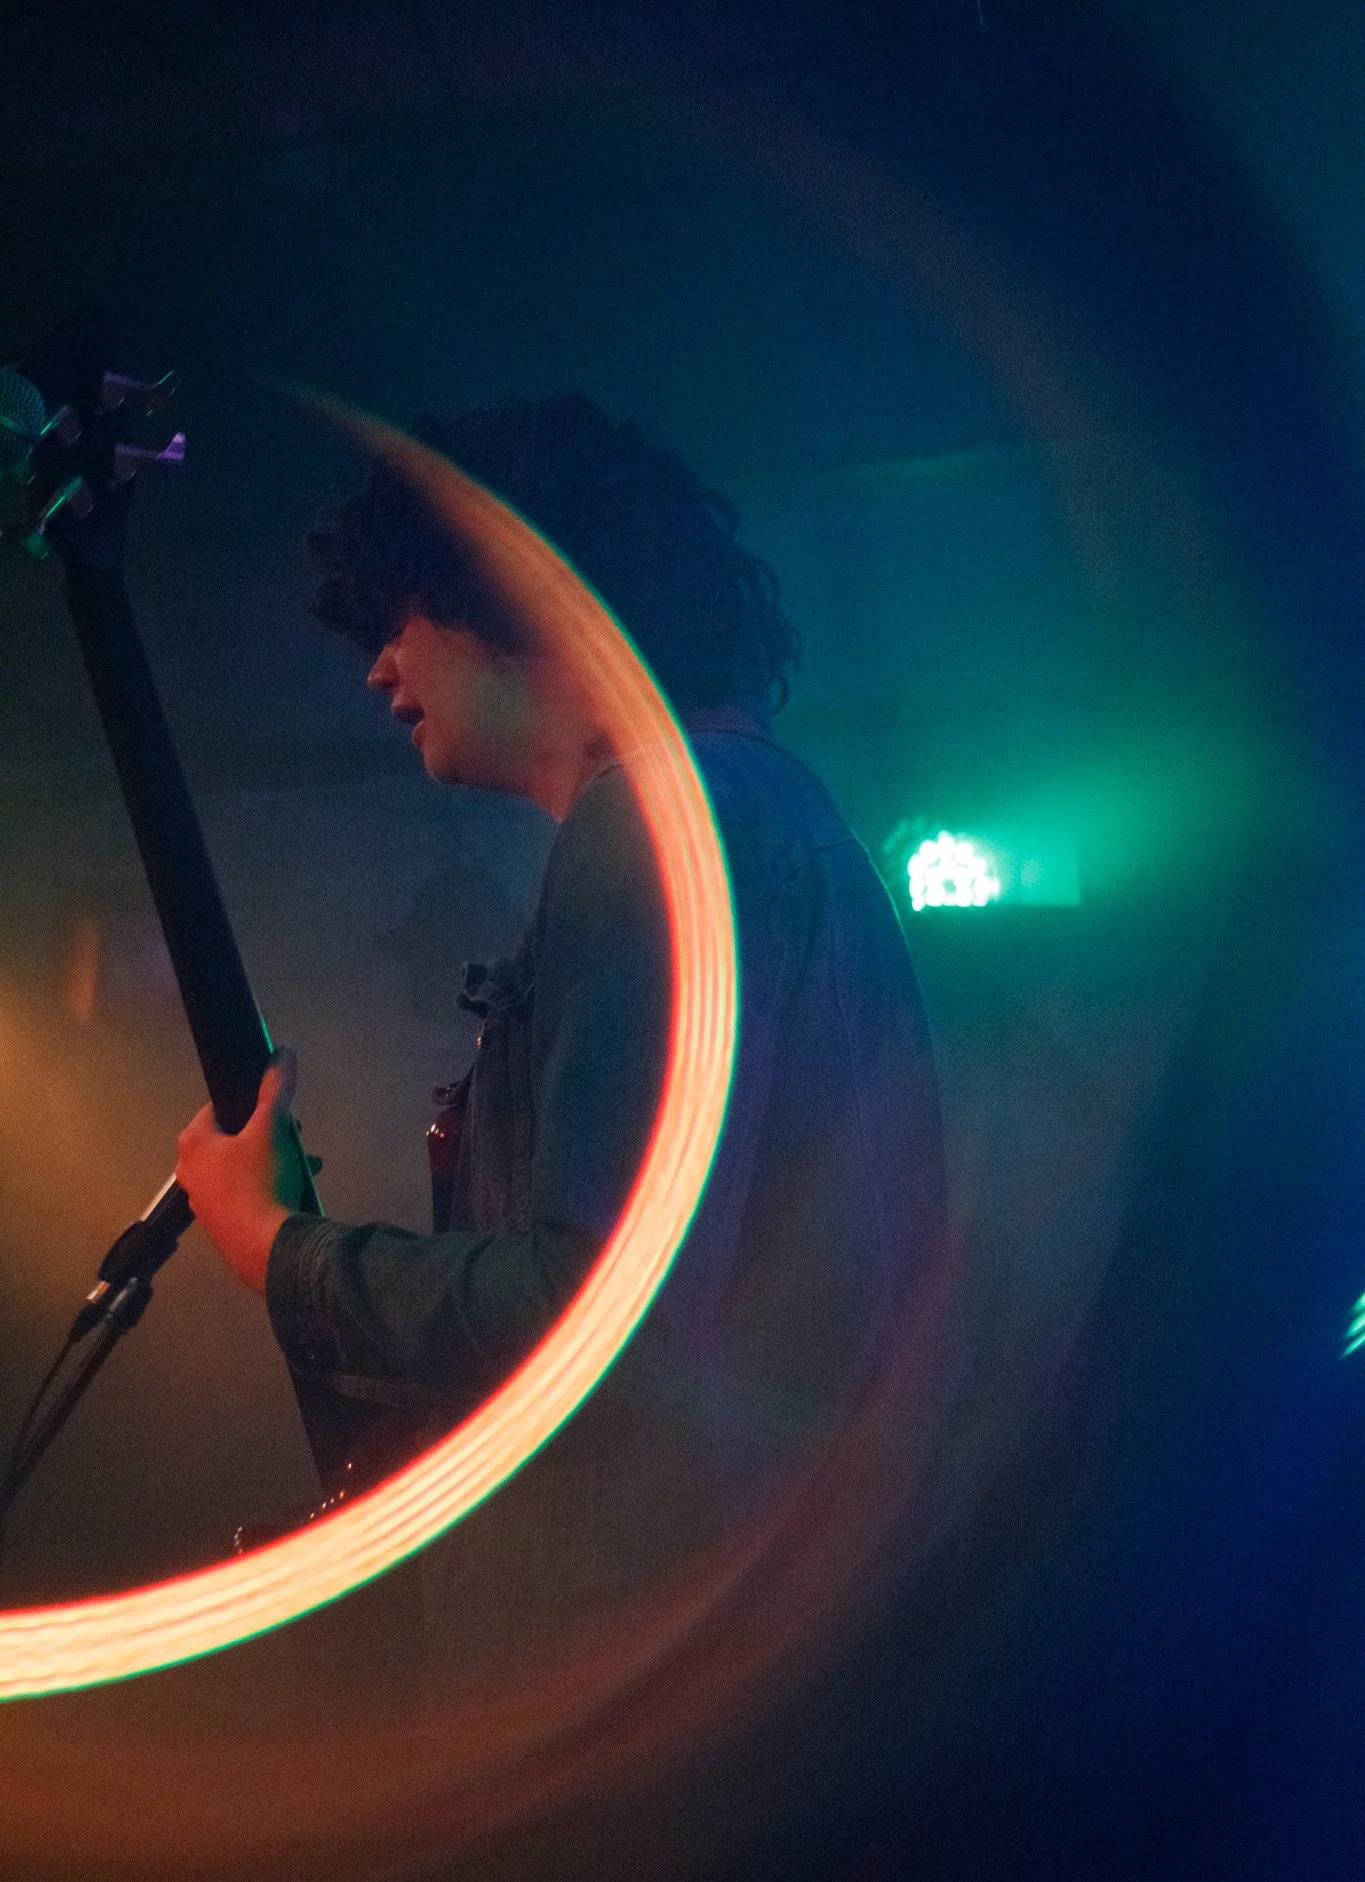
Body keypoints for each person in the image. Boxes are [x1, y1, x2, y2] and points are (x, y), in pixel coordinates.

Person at [175, 396, 945, 1504]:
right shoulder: (768, 808)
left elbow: (604, 1314)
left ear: (508, 588)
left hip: (674, 1604)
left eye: (399, 616)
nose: (377, 670)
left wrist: (276, 1246)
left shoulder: (656, 820)